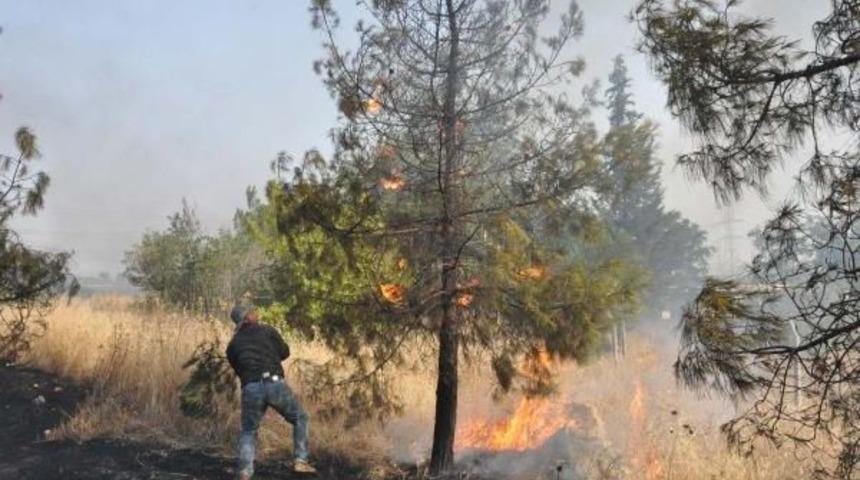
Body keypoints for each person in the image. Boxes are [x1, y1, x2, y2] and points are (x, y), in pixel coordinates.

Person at [226, 303, 317, 478]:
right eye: (253, 312)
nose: (257, 313)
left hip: (250, 387)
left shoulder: (233, 344)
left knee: (249, 430)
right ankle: (300, 460)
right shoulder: (267, 331)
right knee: (300, 417)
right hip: (274, 384)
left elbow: (238, 368)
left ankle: (245, 471)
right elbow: (285, 352)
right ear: (248, 317)